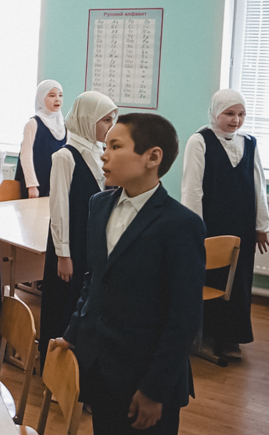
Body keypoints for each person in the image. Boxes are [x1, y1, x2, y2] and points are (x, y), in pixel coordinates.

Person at [60, 113, 205, 435]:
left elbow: (184, 318)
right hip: (102, 367)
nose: (104, 155)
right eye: (105, 146)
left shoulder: (181, 225)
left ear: (152, 157)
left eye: (115, 146)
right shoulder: (99, 205)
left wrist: (155, 390)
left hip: (147, 375)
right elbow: (95, 279)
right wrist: (73, 333)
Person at [181, 89, 269, 358]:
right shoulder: (199, 141)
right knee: (211, 277)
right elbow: (192, 189)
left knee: (238, 282)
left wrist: (261, 226)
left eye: (242, 114)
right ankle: (207, 335)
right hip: (211, 225)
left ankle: (231, 337)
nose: (236, 120)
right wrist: (194, 230)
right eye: (229, 113)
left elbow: (258, 186)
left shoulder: (249, 142)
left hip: (242, 226)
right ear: (215, 112)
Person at [39, 91, 116, 368]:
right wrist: (63, 254)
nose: (110, 127)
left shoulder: (101, 153)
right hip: (70, 244)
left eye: (112, 120)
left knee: (83, 305)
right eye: (105, 120)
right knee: (63, 305)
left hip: (91, 242)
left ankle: (78, 368)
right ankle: (54, 368)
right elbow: (59, 209)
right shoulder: (65, 156)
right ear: (87, 119)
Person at [14, 79, 66, 198]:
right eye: (52, 95)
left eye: (60, 95)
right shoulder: (33, 123)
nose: (57, 99)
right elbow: (26, 156)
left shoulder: (63, 125)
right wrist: (32, 185)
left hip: (54, 183)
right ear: (41, 97)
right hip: (36, 183)